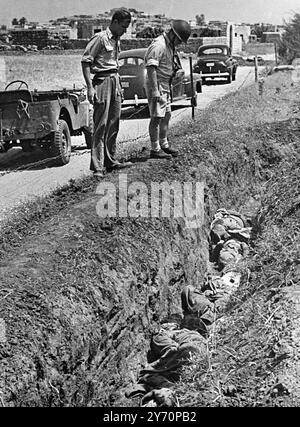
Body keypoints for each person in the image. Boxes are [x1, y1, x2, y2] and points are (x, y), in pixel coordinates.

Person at [81, 8, 133, 179]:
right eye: (124, 26)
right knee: (100, 125)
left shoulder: (116, 40)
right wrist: (90, 87)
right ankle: (97, 167)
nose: (125, 31)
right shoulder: (100, 38)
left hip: (114, 80)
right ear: (115, 22)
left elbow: (114, 65)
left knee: (114, 122)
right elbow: (86, 61)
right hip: (102, 82)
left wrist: (119, 87)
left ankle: (110, 161)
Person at [144, 20, 191, 160]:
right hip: (157, 83)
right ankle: (155, 148)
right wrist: (155, 91)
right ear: (174, 35)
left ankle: (164, 144)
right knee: (157, 117)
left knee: (166, 115)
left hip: (165, 83)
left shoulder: (170, 46)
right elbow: (151, 68)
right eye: (180, 40)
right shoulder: (159, 45)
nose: (179, 43)